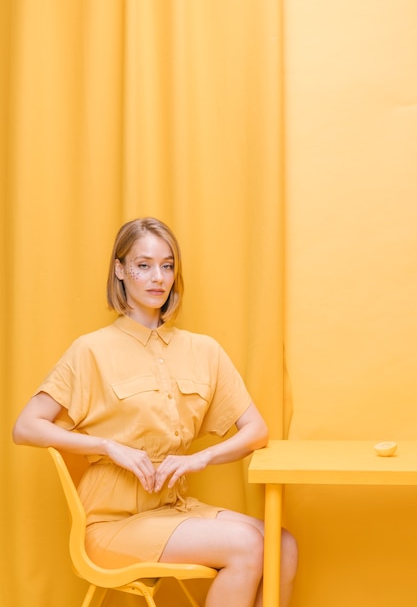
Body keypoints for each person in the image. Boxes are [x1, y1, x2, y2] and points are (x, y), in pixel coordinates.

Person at [13, 217, 297, 607]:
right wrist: (108, 447)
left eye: (167, 265)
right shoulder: (91, 351)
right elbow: (25, 426)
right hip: (112, 523)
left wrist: (201, 458)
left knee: (283, 544)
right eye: (143, 265)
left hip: (175, 508)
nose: (157, 277)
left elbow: (256, 431)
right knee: (248, 544)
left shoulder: (204, 351)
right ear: (120, 270)